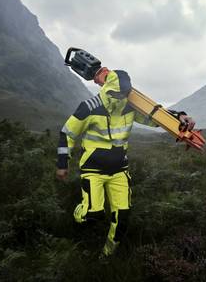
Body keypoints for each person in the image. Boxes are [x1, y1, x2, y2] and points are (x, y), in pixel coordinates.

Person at [56, 70, 194, 257]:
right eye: (117, 94)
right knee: (93, 215)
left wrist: (179, 117)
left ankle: (106, 256)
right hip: (93, 170)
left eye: (124, 95)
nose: (121, 99)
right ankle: (81, 211)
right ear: (107, 89)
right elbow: (67, 133)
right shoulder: (88, 107)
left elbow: (155, 118)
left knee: (122, 219)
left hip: (120, 170)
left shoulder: (129, 107)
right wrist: (63, 163)